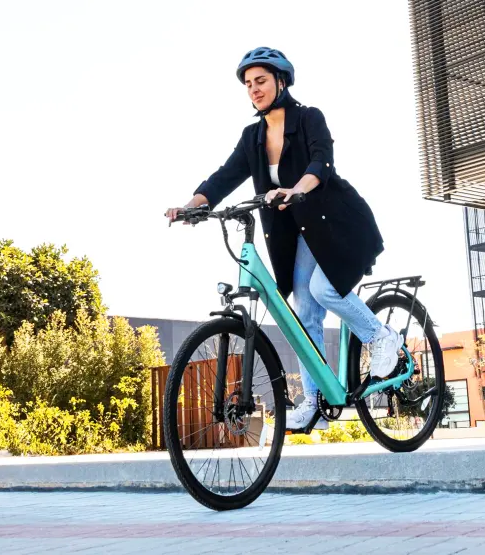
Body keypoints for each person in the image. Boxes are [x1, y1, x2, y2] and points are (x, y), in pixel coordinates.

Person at [165, 47, 401, 430]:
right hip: (301, 234)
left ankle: (381, 335)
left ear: (281, 81)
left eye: (260, 81)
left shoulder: (308, 118)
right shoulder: (253, 137)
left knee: (323, 291)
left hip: (338, 223)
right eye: (248, 84)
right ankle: (315, 402)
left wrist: (296, 189)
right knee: (304, 314)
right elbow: (225, 176)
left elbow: (322, 162)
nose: (254, 89)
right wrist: (192, 206)